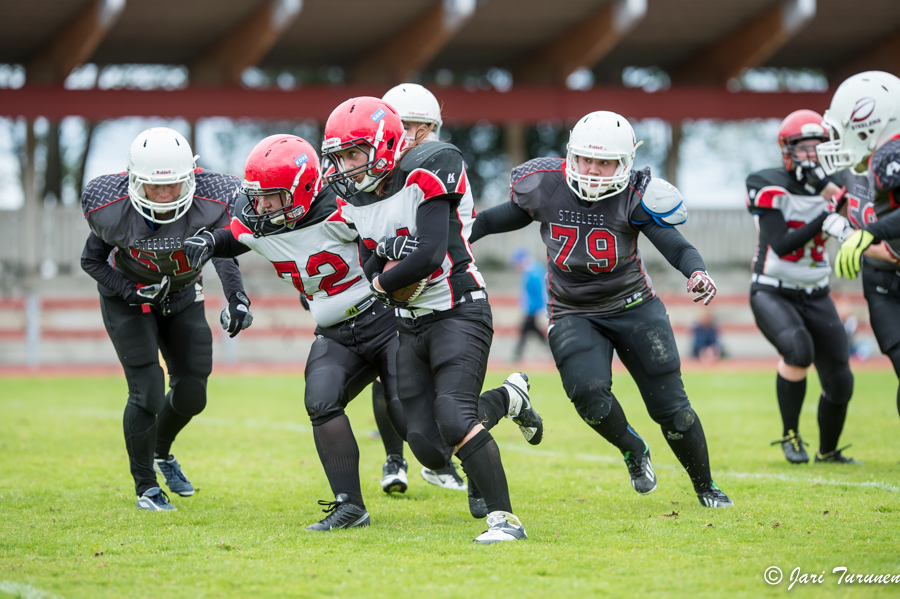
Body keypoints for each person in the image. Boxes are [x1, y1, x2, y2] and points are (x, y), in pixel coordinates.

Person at [470, 110, 734, 508]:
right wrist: (455, 237)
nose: (592, 170)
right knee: (590, 399)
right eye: (586, 159)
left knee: (673, 411)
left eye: (604, 162)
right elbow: (492, 219)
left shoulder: (635, 194)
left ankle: (705, 487)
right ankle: (634, 449)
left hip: (634, 306)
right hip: (573, 310)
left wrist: (696, 271)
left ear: (624, 164)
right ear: (571, 155)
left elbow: (673, 243)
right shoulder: (545, 185)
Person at [321, 96, 543, 543]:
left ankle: (505, 520)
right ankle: (508, 400)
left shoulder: (430, 166)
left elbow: (428, 254)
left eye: (352, 153)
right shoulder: (355, 197)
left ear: (383, 145)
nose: (344, 166)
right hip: (409, 321)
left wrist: (382, 283)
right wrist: (382, 267)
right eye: (339, 156)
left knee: (455, 414)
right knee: (425, 442)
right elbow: (368, 261)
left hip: (459, 308)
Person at [184, 134, 410, 530]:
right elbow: (234, 237)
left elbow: (394, 237)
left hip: (385, 318)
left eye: (273, 196)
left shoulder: (344, 207)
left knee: (417, 424)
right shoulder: (259, 217)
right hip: (335, 330)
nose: (263, 205)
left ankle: (493, 420)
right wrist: (206, 242)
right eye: (258, 195)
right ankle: (350, 506)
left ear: (304, 187)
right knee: (320, 400)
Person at [80, 127, 252, 511]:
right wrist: (129, 291)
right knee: (148, 389)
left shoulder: (216, 197)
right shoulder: (108, 205)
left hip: (182, 292)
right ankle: (146, 487)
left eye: (173, 185)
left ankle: (161, 451)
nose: (164, 194)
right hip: (128, 297)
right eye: (154, 187)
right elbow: (91, 259)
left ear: (191, 176)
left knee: (193, 393)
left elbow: (222, 251)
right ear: (132, 181)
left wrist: (237, 296)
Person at [745, 109, 857, 465]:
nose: (812, 153)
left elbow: (860, 217)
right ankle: (790, 435)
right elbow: (782, 243)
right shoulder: (766, 181)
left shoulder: (840, 184)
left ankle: (828, 450)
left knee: (840, 378)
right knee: (798, 349)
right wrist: (826, 216)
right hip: (772, 289)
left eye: (818, 145)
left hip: (817, 292)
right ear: (786, 149)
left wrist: (835, 198)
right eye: (803, 146)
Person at [379, 82, 467, 491]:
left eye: (421, 127)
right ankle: (395, 460)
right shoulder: (376, 171)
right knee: (389, 379)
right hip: (392, 286)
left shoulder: (442, 163)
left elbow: (444, 240)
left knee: (447, 395)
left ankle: (439, 456)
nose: (412, 136)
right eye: (404, 125)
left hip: (440, 292)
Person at [818, 71, 900, 421]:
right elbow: (847, 209)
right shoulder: (858, 171)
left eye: (845, 128)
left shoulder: (889, 157)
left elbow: (873, 228)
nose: (838, 140)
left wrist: (870, 234)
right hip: (882, 281)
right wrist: (846, 231)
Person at [509, 248, 547, 362]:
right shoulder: (530, 271)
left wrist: (541, 309)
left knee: (526, 332)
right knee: (531, 331)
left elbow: (539, 293)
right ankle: (517, 354)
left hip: (533, 309)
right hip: (531, 309)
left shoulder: (533, 272)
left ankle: (517, 355)